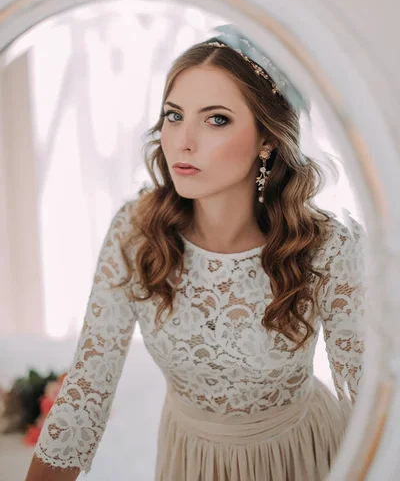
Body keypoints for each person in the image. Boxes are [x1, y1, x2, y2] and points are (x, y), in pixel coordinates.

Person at [25, 25, 366, 481]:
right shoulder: (136, 231)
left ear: (267, 140)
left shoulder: (324, 247)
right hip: (190, 460)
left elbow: (370, 399)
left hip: (302, 457)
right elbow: (87, 389)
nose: (183, 141)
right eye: (173, 115)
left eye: (216, 119)